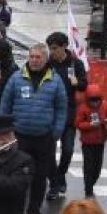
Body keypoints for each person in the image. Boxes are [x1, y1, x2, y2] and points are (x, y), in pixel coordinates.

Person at [0, 43, 67, 214]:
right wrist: (3, 131)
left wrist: (57, 131)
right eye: (32, 56)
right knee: (17, 176)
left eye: (38, 57)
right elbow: (4, 104)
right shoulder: (16, 78)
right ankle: (14, 212)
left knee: (39, 178)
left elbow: (61, 108)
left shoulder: (56, 80)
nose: (35, 60)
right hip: (19, 137)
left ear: (45, 59)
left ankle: (34, 212)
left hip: (44, 138)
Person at [44, 32, 87, 200]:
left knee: (68, 150)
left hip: (69, 112)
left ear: (64, 47)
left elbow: (84, 84)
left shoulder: (75, 64)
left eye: (54, 48)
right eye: (50, 48)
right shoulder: (48, 64)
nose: (51, 51)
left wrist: (78, 83)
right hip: (51, 112)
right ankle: (55, 184)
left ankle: (60, 175)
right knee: (48, 151)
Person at [74, 84, 107, 198]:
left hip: (100, 142)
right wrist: (90, 124)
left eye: (97, 100)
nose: (95, 103)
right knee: (88, 166)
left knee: (97, 167)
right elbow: (78, 123)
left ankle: (91, 183)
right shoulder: (83, 108)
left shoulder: (105, 105)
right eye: (92, 100)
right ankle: (88, 189)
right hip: (87, 143)